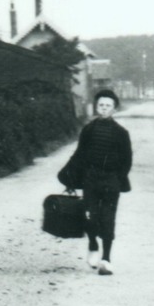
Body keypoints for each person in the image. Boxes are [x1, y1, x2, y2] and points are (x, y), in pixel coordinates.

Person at [57, 87, 132, 276]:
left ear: (114, 109)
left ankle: (106, 259)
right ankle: (92, 244)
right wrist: (70, 178)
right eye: (101, 105)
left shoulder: (121, 133)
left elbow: (127, 160)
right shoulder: (89, 130)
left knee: (108, 219)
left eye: (108, 106)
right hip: (91, 179)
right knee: (90, 216)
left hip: (111, 181)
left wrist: (118, 178)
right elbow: (79, 155)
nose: (105, 108)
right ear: (97, 107)